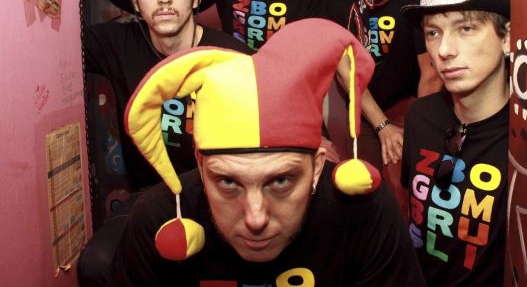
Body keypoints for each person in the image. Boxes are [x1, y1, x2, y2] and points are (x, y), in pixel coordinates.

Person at [107, 18, 425, 287]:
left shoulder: (366, 213)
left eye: (281, 181)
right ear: (201, 168)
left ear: (317, 167)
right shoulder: (157, 219)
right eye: (228, 183)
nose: (256, 218)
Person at [78, 0, 251, 287]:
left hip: (225, 196)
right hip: (153, 197)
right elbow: (54, 35)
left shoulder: (232, 57)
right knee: (97, 264)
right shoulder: (117, 44)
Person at [400, 0, 510, 285]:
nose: (444, 50)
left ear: (507, 37)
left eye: (466, 28)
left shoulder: (525, 143)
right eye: (433, 32)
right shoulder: (420, 117)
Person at [318, 0, 442, 171]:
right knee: (365, 181)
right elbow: (346, 71)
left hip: (411, 105)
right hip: (365, 108)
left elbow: (431, 74)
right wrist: (381, 125)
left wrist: (419, 130)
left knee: (406, 178)